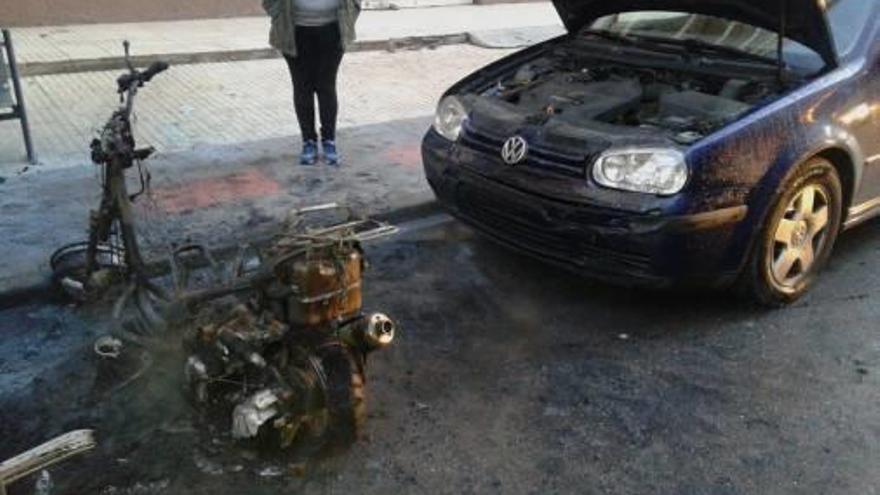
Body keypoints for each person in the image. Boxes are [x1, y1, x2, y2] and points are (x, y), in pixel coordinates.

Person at [263, 0, 360, 165]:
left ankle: (329, 141)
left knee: (326, 86)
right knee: (302, 87)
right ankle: (308, 141)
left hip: (333, 30)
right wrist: (279, 16)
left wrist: (350, 15)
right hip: (294, 32)